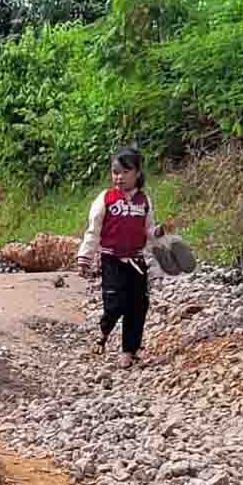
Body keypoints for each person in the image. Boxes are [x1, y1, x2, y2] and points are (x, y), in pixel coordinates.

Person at [76, 146, 171, 368]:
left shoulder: (144, 201)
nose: (118, 177)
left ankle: (129, 350)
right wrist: (85, 257)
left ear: (137, 173)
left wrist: (157, 232)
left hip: (136, 261)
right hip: (112, 260)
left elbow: (148, 230)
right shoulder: (106, 198)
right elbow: (93, 230)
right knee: (114, 304)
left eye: (124, 172)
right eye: (115, 172)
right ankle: (104, 330)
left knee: (138, 306)